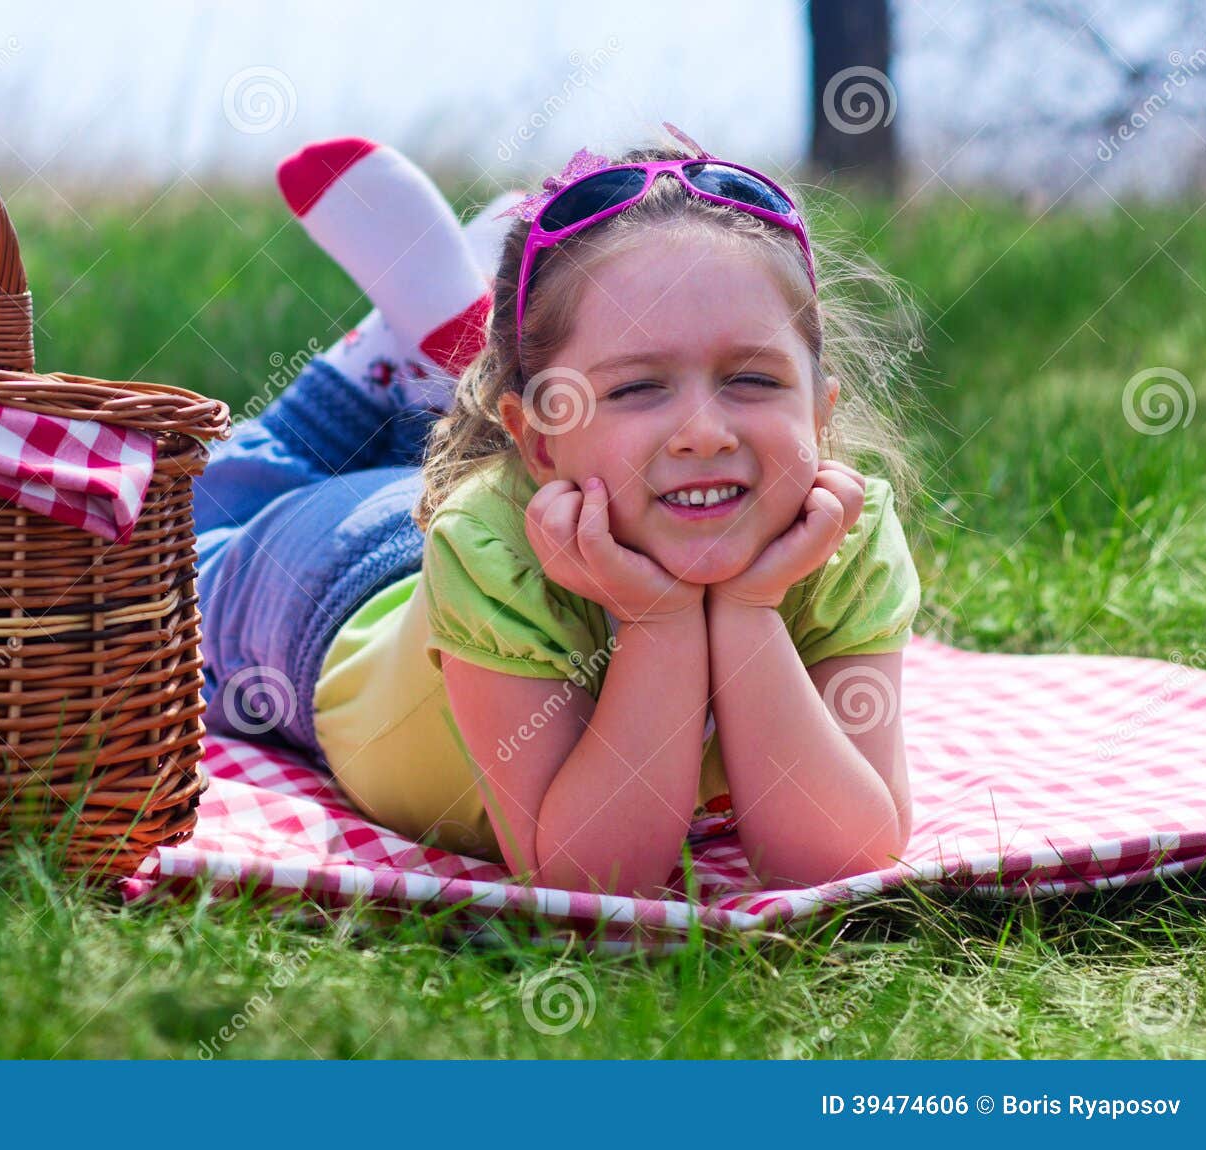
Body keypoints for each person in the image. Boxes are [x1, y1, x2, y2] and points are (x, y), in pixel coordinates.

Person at [193, 125, 922, 899]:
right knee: (194, 533)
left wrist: (748, 610)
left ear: (819, 413)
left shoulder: (842, 534)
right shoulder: (484, 544)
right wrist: (658, 624)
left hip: (462, 506)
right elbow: (590, 874)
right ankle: (369, 374)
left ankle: (433, 350)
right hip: (325, 590)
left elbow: (843, 860)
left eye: (753, 379)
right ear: (538, 446)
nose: (705, 433)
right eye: (638, 387)